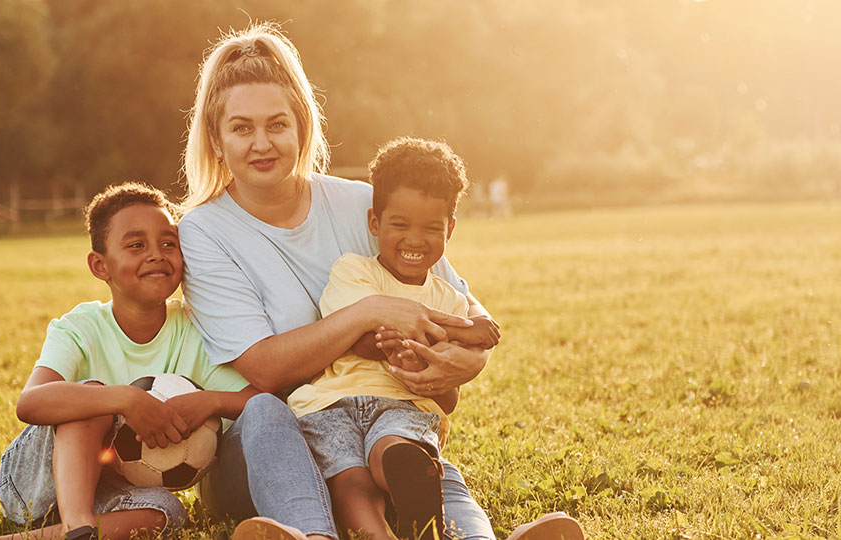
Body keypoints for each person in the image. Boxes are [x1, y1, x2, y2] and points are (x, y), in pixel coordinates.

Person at [177, 22, 585, 540]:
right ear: (215, 137)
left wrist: (466, 364)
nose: (262, 143)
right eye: (242, 128)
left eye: (277, 124)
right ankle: (309, 534)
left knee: (412, 460)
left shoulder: (359, 203)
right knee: (267, 413)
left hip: (373, 419)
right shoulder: (203, 231)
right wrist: (368, 313)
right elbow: (265, 369)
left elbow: (458, 306)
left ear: (302, 126)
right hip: (267, 447)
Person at [0, 183, 259, 540]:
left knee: (167, 513)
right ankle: (78, 525)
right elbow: (31, 402)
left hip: (111, 488)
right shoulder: (81, 327)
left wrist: (210, 400)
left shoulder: (194, 330)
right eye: (136, 245)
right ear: (100, 267)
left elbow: (255, 401)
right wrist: (125, 399)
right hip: (35, 483)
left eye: (168, 243)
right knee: (93, 397)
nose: (156, 254)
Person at [287, 137, 499, 540]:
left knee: (396, 447)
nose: (414, 240)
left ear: (450, 230)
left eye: (431, 228)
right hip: (334, 403)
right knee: (351, 481)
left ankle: (415, 492)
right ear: (374, 223)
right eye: (399, 225)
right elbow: (362, 338)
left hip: (405, 403)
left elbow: (446, 388)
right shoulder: (355, 271)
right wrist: (463, 331)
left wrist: (431, 348)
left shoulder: (449, 297)